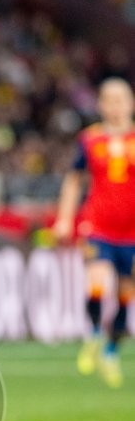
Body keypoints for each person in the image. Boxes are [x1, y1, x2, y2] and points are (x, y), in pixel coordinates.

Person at [54, 77, 135, 389]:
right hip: (97, 224)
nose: (115, 106)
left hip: (131, 231)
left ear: (130, 104)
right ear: (100, 104)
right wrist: (64, 218)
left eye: (121, 100)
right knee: (96, 282)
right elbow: (74, 179)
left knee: (126, 294)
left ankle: (112, 350)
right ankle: (95, 334)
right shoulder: (90, 140)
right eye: (109, 100)